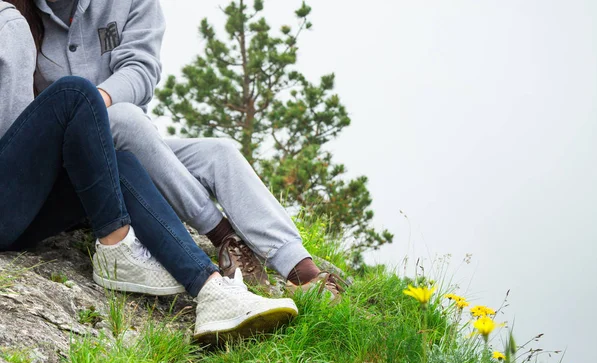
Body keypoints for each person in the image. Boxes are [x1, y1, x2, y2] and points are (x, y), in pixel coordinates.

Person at [0, 0, 298, 342]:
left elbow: (140, 69)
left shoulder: (24, 17)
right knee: (75, 93)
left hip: (24, 209)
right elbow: (15, 138)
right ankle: (118, 246)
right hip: (9, 201)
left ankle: (212, 291)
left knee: (121, 160)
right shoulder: (10, 23)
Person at [28, 0, 343, 296]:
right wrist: (86, 115)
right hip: (71, 168)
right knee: (125, 118)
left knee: (219, 153)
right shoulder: (22, 15)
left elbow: (141, 69)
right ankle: (223, 236)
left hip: (131, 144)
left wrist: (94, 102)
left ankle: (301, 271)